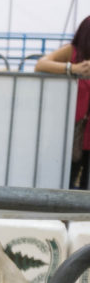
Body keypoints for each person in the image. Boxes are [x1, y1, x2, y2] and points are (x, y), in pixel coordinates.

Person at [35, 15, 90, 188]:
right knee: (65, 174)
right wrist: (71, 68)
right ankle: (60, 212)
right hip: (72, 128)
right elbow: (41, 64)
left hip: (84, 129)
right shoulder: (72, 52)